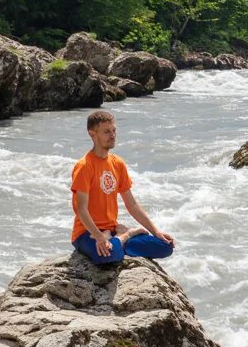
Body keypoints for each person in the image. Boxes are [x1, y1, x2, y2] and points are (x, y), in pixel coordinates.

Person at [69, 110, 176, 266]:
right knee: (108, 256)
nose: (112, 135)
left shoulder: (117, 163)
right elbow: (81, 209)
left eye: (114, 130)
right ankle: (126, 235)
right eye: (106, 132)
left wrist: (156, 232)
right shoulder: (84, 166)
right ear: (92, 135)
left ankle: (117, 239)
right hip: (86, 233)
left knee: (165, 247)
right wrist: (99, 236)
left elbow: (131, 204)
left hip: (110, 230)